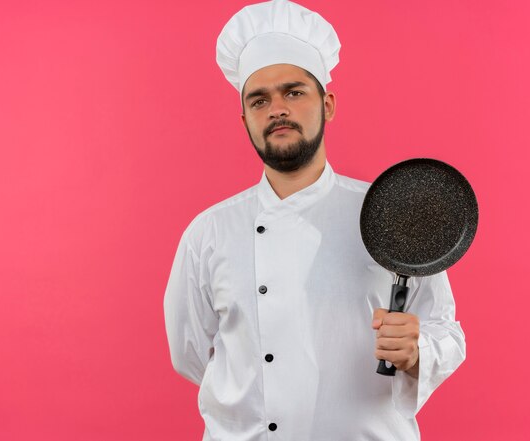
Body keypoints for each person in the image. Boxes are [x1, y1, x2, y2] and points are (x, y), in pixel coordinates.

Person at [163, 1, 466, 439]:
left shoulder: (388, 211)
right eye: (259, 100)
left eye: (294, 92)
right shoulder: (208, 233)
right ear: (245, 118)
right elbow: (188, 355)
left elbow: (447, 333)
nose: (277, 109)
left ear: (327, 104)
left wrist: (418, 350)